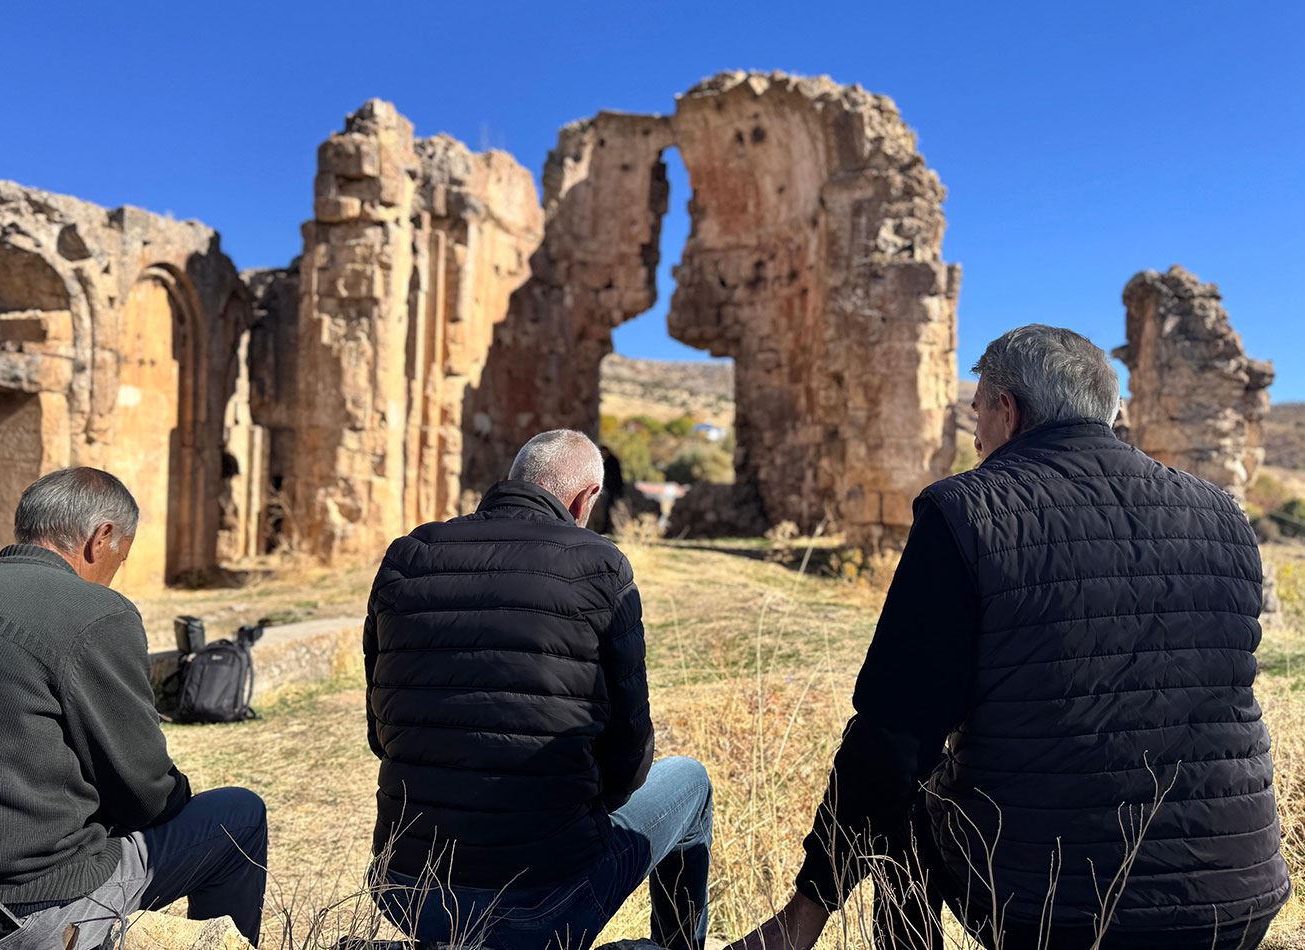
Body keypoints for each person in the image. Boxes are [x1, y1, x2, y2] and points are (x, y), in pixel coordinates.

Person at [728, 326, 1289, 950]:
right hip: (1238, 897)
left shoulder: (965, 510)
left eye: (976, 412)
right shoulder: (1224, 514)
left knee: (900, 784)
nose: (973, 435)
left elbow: (894, 734)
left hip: (1056, 912)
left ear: (1009, 410)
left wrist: (808, 906)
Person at [0, 468, 269, 950]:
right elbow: (147, 795)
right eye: (122, 555)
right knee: (238, 815)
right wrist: (170, 795)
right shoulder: (96, 611)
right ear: (102, 538)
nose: (116, 571)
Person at [364, 429, 712, 950]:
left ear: (514, 479)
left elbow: (380, 731)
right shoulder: (600, 565)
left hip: (406, 888)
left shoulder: (406, 556)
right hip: (539, 895)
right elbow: (631, 756)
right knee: (690, 780)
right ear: (584, 498)